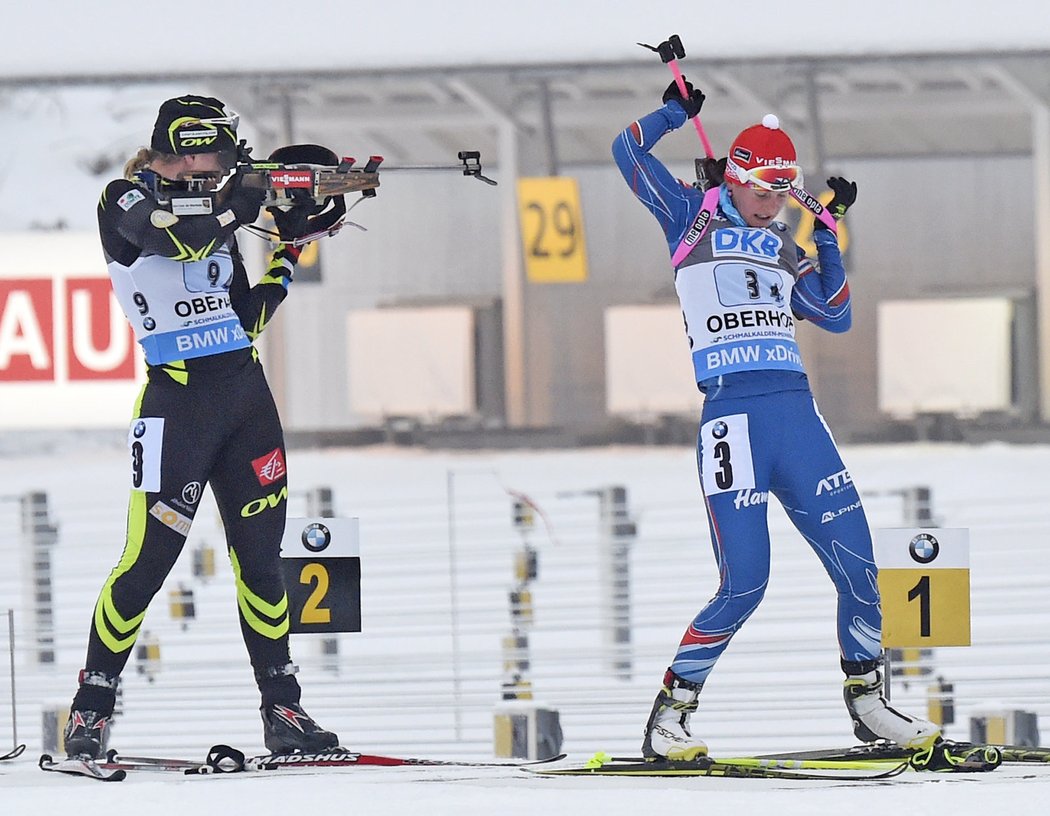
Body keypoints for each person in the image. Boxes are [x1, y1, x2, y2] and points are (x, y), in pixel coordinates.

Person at [612, 80, 941, 761]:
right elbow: (626, 148)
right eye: (761, 191)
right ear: (734, 178)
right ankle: (670, 715)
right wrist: (675, 115)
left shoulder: (783, 244)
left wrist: (825, 237)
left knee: (860, 568)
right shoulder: (688, 215)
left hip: (797, 416)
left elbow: (836, 313)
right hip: (732, 416)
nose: (770, 205)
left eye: (782, 192)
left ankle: (868, 704)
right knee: (745, 582)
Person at [63, 95, 344, 760]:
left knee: (263, 562)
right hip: (176, 405)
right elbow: (174, 237)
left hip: (245, 397)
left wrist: (290, 249)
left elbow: (243, 317)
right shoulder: (123, 199)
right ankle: (90, 710)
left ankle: (285, 709)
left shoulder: (217, 216)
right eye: (219, 153)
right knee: (145, 565)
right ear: (186, 147)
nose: (223, 164)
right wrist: (243, 201)